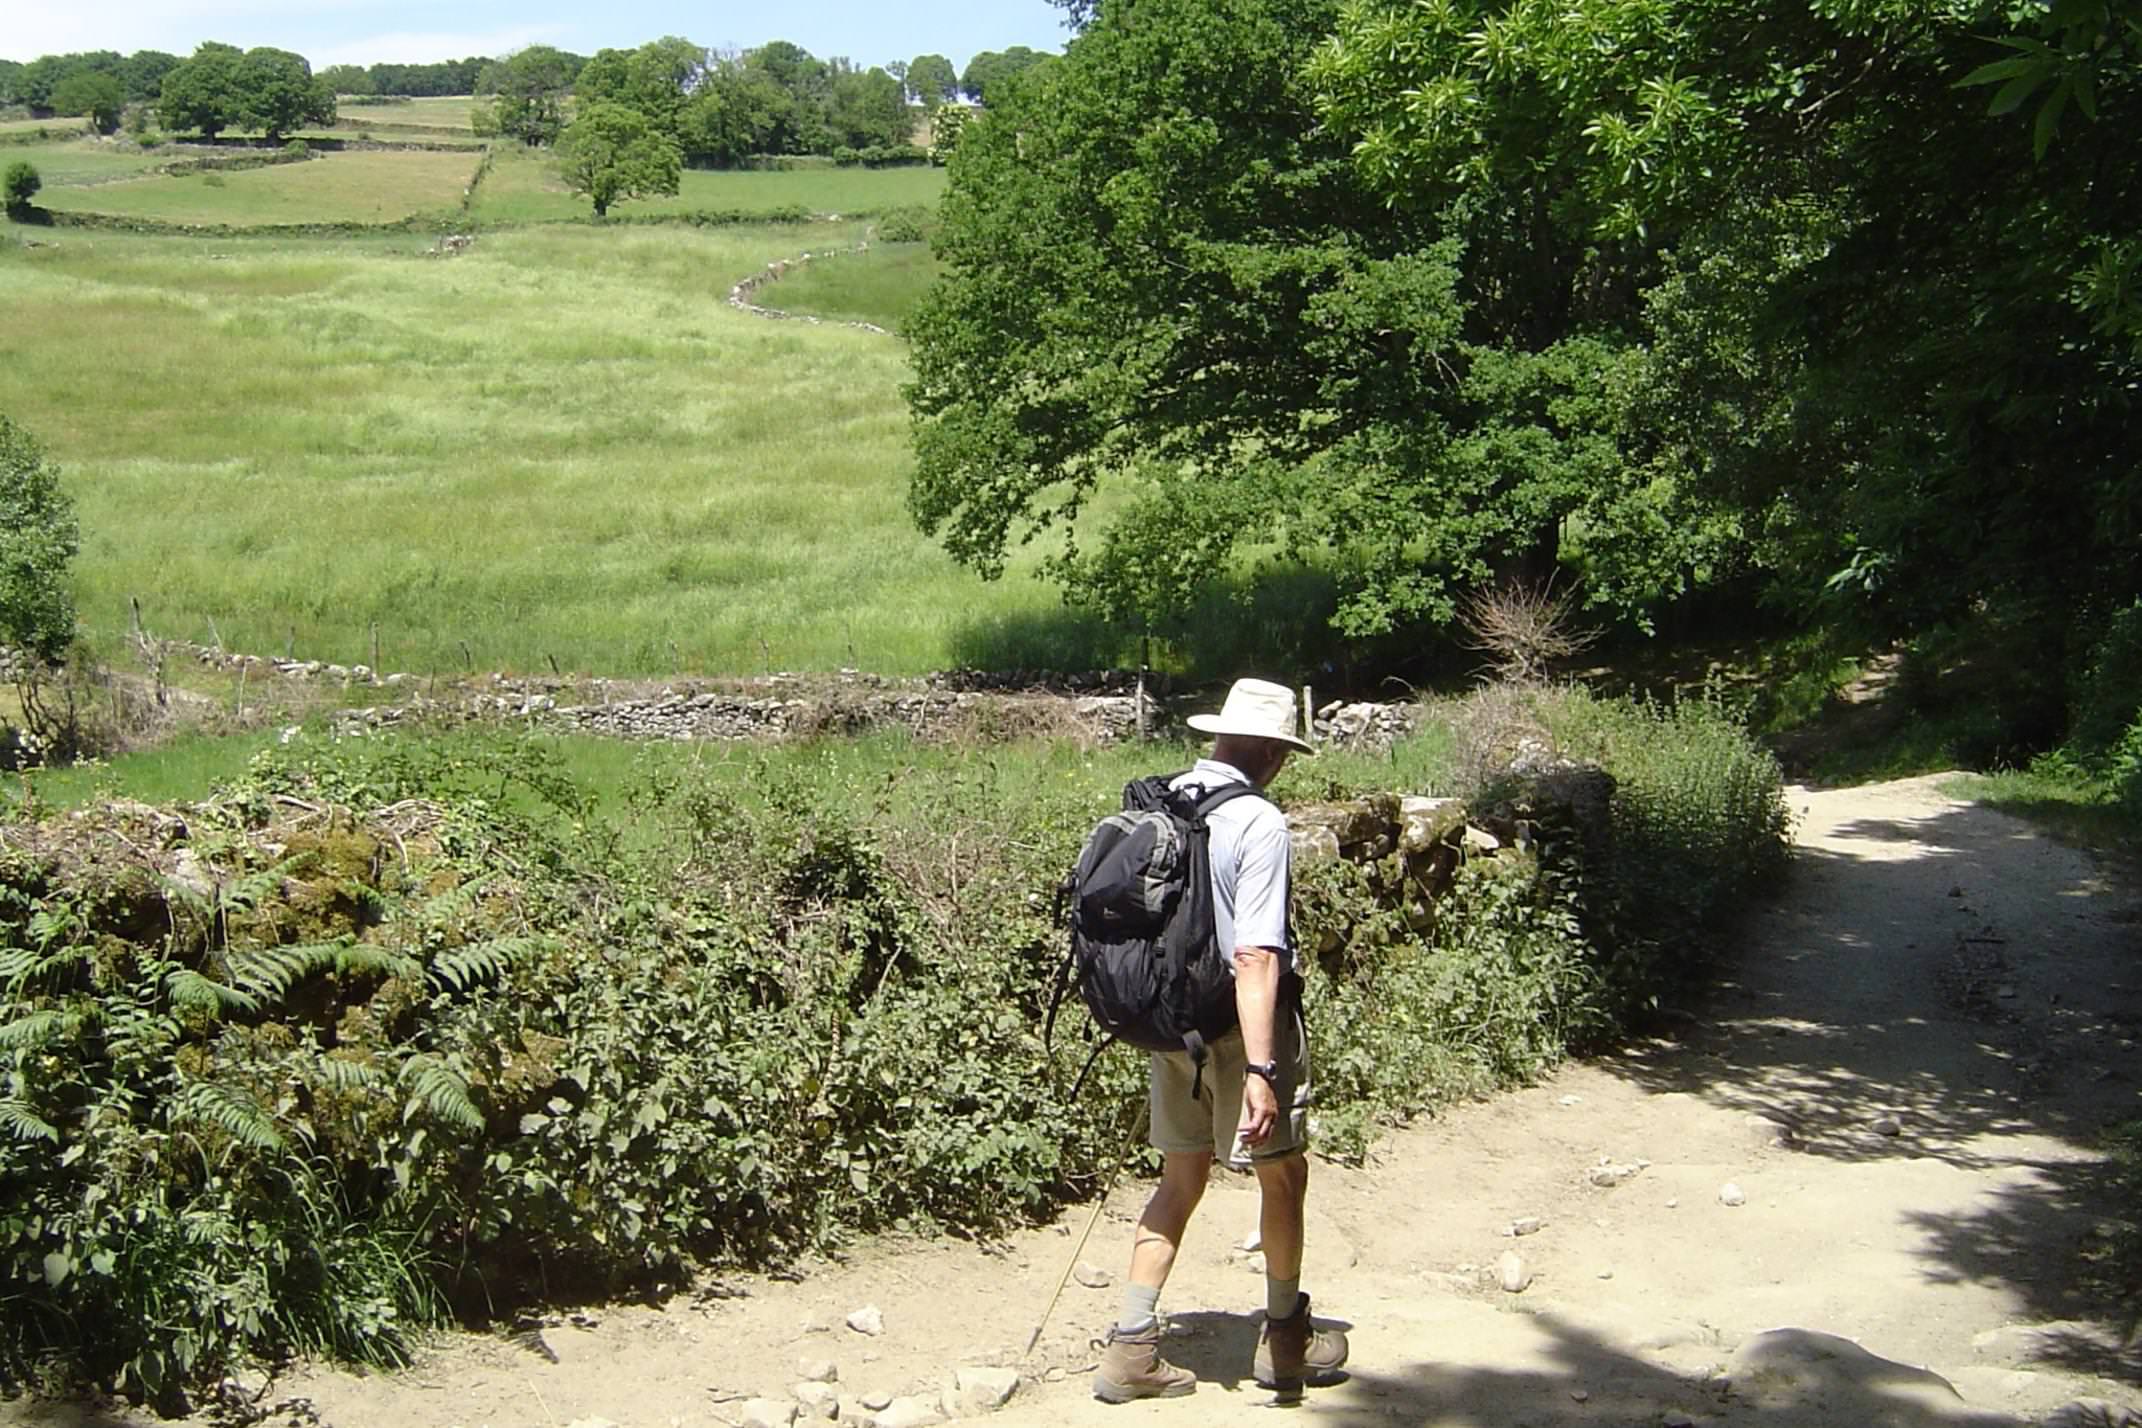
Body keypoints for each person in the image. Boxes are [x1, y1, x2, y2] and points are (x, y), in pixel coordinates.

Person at [1093, 677, 1350, 1402]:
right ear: (1271, 750)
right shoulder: (1260, 821)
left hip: (1165, 1022)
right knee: (1282, 1172)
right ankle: (1285, 1340)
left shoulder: (1160, 797)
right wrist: (1264, 1069)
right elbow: (1258, 956)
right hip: (1238, 1028)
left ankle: (1132, 1346)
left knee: (1181, 1177)